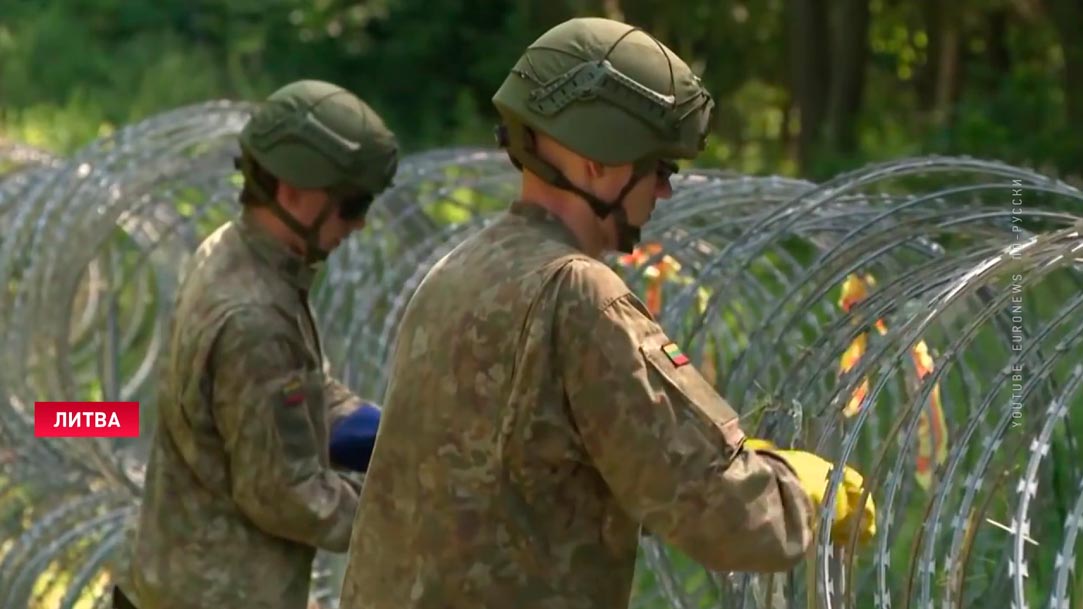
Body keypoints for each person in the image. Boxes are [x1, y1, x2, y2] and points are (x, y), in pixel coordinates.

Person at [337, 17, 877, 609]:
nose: (665, 193)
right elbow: (712, 504)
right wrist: (808, 496)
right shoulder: (577, 293)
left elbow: (534, 472)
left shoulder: (460, 269)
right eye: (660, 169)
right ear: (598, 160)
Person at [115, 79, 396, 609]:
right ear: (294, 192)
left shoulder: (234, 254)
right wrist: (401, 510)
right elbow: (284, 495)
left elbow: (289, 391)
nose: (358, 224)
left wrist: (375, 426)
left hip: (177, 579)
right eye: (351, 204)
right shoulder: (254, 316)